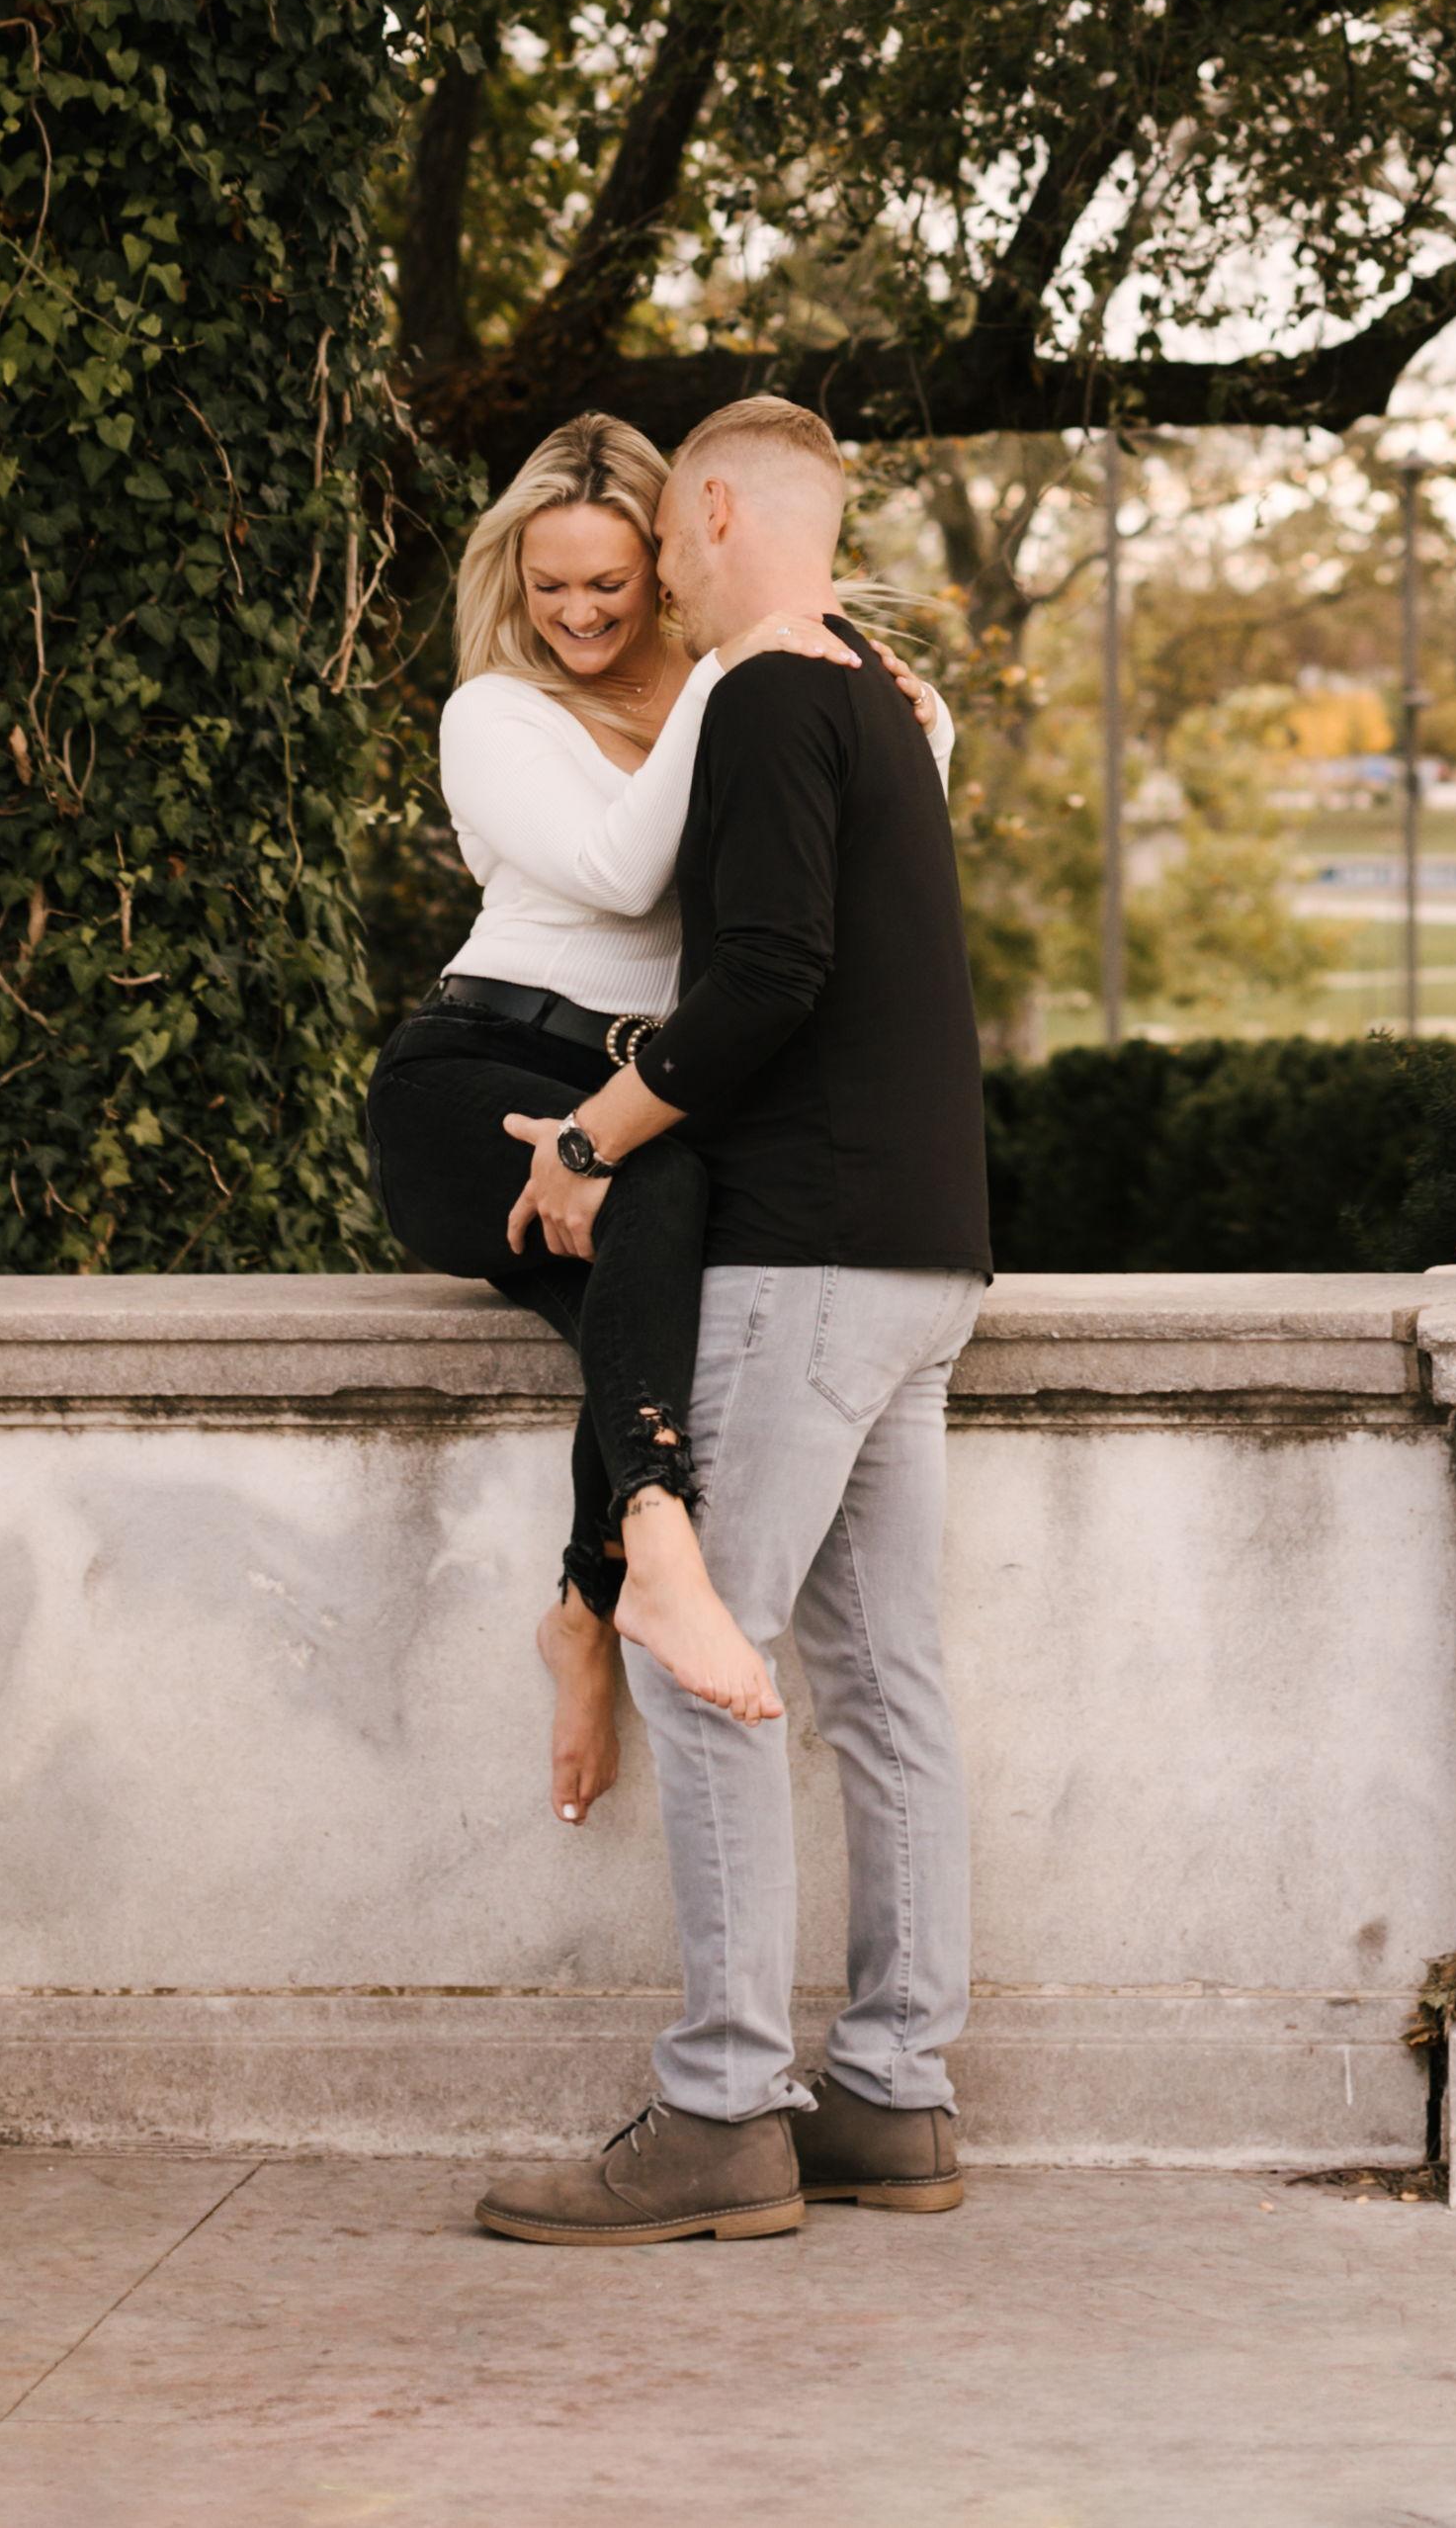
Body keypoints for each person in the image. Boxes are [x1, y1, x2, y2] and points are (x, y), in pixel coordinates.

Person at [472, 393, 993, 2250]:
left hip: (805, 1253)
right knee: (886, 1684)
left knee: (702, 1649)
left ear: (703, 509)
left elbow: (768, 974)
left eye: (663, 549)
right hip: (930, 1251)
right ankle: (895, 2097)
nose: (656, 590)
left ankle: (718, 2113)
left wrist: (592, 1135)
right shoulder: (885, 700)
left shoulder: (771, 690)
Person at [363, 419, 789, 1818]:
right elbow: (616, 871)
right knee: (652, 1191)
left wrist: (904, 706)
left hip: (631, 1089)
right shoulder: (497, 712)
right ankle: (655, 1547)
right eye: (548, 585)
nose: (580, 614)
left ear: (662, 568)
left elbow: (880, 792)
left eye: (608, 583)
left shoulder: (725, 680)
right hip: (474, 1072)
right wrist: (733, 670)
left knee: (659, 1284)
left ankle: (583, 1611)